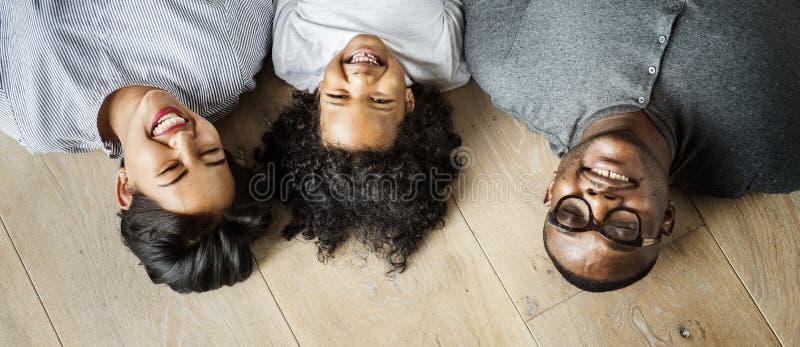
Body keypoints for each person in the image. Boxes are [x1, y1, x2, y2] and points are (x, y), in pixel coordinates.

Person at [463, 0, 800, 291]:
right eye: (623, 227)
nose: (600, 200)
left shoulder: (506, 66)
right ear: (666, 219)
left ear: (551, 190)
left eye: (571, 213)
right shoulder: (776, 154)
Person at [0, 1, 276, 292]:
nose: (183, 138)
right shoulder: (225, 55)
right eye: (210, 153)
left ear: (125, 187)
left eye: (171, 168)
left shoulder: (33, 117)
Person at [264, 0, 470, 272]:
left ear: (318, 96)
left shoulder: (294, 54)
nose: (361, 78)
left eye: (339, 96)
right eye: (380, 101)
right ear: (409, 103)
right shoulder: (443, 59)